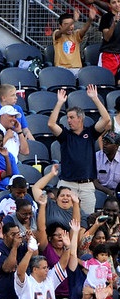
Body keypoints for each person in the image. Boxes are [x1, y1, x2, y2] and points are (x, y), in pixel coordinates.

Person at [47, 85, 112, 215]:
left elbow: (106, 119)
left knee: (87, 219)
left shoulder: (90, 133)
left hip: (87, 186)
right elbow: (51, 124)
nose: (68, 121)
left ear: (80, 118)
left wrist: (95, 99)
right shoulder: (65, 135)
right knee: (65, 218)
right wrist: (59, 103)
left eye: (71, 117)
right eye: (67, 118)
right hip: (67, 185)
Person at [54, 9, 95, 76]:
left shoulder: (76, 34)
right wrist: (73, 20)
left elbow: (84, 30)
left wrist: (90, 19)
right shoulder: (57, 34)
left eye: (72, 24)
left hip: (76, 68)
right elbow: (60, 32)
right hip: (61, 68)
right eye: (66, 24)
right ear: (60, 26)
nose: (70, 27)